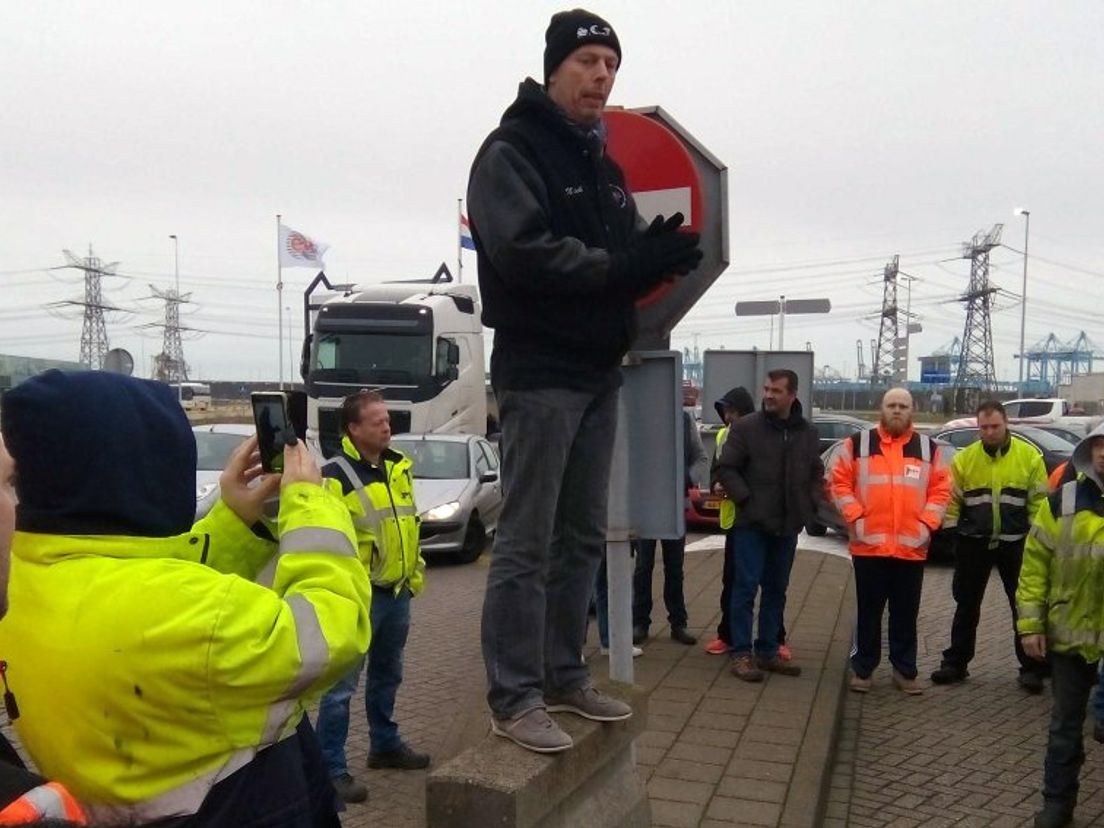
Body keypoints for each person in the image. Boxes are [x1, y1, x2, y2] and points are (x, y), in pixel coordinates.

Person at [466, 8, 702, 753]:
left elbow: (621, 252)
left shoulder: (602, 166)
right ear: (554, 67)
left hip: (599, 372)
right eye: (589, 62)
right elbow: (524, 252)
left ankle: (564, 673)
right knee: (526, 543)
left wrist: (646, 253)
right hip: (540, 375)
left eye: (612, 65)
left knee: (578, 539)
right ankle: (513, 696)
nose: (602, 76)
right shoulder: (512, 151)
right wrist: (617, 266)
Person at [0, 369, 370, 826]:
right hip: (235, 808)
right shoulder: (187, 611)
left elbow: (150, 588)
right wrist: (311, 503)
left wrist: (234, 520)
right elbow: (333, 632)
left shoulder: (22, 584)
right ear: (148, 469)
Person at [314, 391, 428, 804]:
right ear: (353, 429)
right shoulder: (334, 476)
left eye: (387, 419)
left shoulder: (399, 468)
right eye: (376, 420)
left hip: (396, 594)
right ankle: (331, 770)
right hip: (359, 597)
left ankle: (384, 745)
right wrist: (347, 591)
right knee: (340, 688)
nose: (386, 425)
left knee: (388, 675)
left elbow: (408, 525)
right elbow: (327, 542)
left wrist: (413, 576)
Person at [828, 388, 951, 694]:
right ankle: (864, 669)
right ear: (881, 408)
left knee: (905, 613)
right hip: (869, 545)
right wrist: (856, 516)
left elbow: (941, 490)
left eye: (903, 406)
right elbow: (838, 481)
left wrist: (927, 524)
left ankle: (904, 671)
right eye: (892, 405)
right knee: (869, 611)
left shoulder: (928, 448)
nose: (897, 410)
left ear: (913, 410)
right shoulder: (857, 444)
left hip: (911, 547)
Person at [1016, 423, 1104, 828]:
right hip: (1069, 633)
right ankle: (1057, 804)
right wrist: (1030, 626)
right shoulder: (1060, 502)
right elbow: (1034, 568)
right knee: (1065, 727)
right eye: (1098, 446)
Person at [0, 433, 87, 825]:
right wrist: (302, 504)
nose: (18, 509)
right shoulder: (23, 808)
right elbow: (301, 650)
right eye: (8, 484)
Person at [931, 400, 1049, 692]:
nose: (989, 432)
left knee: (1022, 604)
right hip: (974, 542)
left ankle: (1032, 667)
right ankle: (956, 663)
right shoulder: (965, 459)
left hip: (1016, 542)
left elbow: (1039, 504)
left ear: (1005, 423)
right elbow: (952, 502)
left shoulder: (1029, 457)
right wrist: (953, 538)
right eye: (983, 427)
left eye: (994, 426)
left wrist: (1036, 542)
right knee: (966, 604)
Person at [714, 370, 823, 682]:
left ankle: (768, 651)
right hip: (751, 525)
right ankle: (741, 654)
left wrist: (810, 504)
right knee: (745, 588)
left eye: (776, 390)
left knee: (777, 589)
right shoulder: (747, 428)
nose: (769, 395)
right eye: (766, 389)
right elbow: (726, 468)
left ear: (792, 395)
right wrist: (746, 500)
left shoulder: (807, 433)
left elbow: (816, 472)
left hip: (787, 526)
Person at [632, 409, 708, 647]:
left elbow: (701, 458)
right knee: (643, 566)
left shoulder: (683, 420)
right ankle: (639, 622)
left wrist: (684, 477)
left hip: (675, 504)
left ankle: (678, 622)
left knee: (674, 567)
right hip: (646, 504)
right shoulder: (641, 413)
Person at [702, 386, 755, 656]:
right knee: (730, 581)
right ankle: (727, 635)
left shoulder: (757, 436)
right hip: (732, 521)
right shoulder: (723, 436)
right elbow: (714, 472)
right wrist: (716, 484)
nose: (727, 417)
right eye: (725, 411)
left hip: (754, 519)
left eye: (732, 411)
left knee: (763, 583)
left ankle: (774, 639)